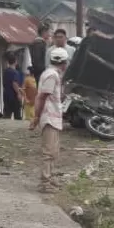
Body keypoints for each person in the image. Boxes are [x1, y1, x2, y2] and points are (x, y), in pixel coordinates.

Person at [31, 47, 68, 194]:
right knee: (49, 151)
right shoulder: (52, 75)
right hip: (49, 117)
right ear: (64, 62)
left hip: (53, 117)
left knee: (54, 151)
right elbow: (42, 97)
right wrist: (36, 117)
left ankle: (50, 178)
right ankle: (45, 182)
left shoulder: (51, 73)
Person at [1, 52, 24, 121]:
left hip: (6, 95)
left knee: (7, 114)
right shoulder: (15, 72)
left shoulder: (6, 71)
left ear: (8, 62)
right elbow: (14, 84)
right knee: (17, 115)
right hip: (13, 96)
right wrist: (19, 94)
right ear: (16, 62)